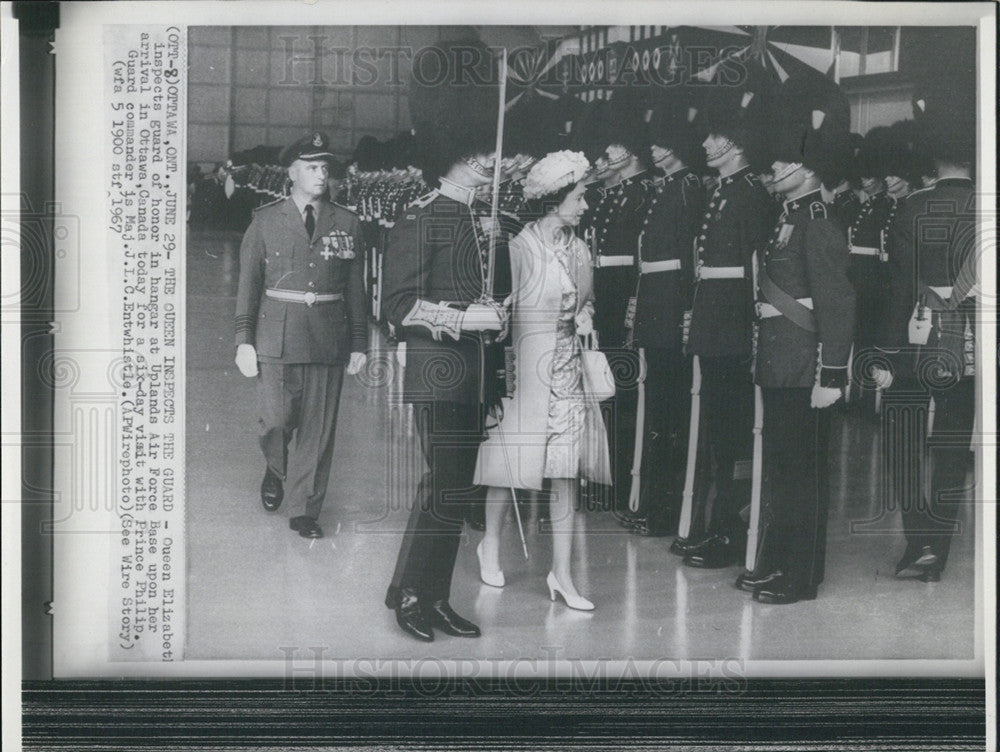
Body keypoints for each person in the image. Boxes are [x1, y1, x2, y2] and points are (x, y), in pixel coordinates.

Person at [381, 39, 508, 642]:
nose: (489, 161)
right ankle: (409, 592)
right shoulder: (421, 215)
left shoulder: (483, 223)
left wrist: (496, 328)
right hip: (439, 370)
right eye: (478, 152)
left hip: (476, 375)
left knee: (460, 489)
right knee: (442, 486)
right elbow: (398, 306)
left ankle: (433, 596)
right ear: (452, 155)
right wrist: (463, 321)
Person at [473, 150, 611, 610]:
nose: (585, 204)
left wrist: (586, 316)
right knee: (510, 464)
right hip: (525, 368)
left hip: (569, 371)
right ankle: (489, 543)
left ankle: (563, 575)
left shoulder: (579, 247)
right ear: (555, 199)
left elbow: (587, 300)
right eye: (579, 195)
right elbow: (498, 314)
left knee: (566, 472)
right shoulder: (519, 248)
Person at [748, 76, 855, 604]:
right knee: (785, 469)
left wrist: (831, 376)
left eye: (778, 165)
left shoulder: (818, 221)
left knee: (804, 474)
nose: (771, 172)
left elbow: (837, 305)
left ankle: (801, 575)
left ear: (806, 167)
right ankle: (778, 562)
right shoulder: (786, 218)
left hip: (805, 365)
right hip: (779, 359)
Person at [234, 131, 368, 540]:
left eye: (325, 168)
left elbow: (356, 288)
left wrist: (360, 342)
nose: (321, 175)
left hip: (328, 336)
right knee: (275, 420)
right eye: (312, 167)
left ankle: (305, 509)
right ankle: (275, 469)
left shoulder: (346, 222)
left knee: (318, 430)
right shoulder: (265, 220)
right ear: (292, 173)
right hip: (276, 335)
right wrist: (243, 338)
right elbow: (248, 284)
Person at [871, 85, 977, 583]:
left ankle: (917, 542)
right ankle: (941, 544)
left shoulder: (912, 206)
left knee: (905, 434)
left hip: (917, 331)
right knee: (954, 442)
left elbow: (896, 285)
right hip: (971, 338)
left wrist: (885, 349)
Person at [674, 73, 776, 568]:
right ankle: (716, 524)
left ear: (738, 142)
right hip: (714, 324)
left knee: (734, 434)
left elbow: (756, 271)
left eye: (717, 136)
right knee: (716, 430)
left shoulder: (751, 194)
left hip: (734, 327)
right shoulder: (721, 192)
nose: (707, 143)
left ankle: (732, 529)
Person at [626, 86, 705, 537]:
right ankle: (654, 502)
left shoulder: (688, 187)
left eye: (661, 141)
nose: (653, 148)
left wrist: (684, 312)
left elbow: (691, 257)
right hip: (655, 304)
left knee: (672, 410)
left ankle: (666, 505)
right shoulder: (668, 187)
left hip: (672, 304)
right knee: (657, 405)